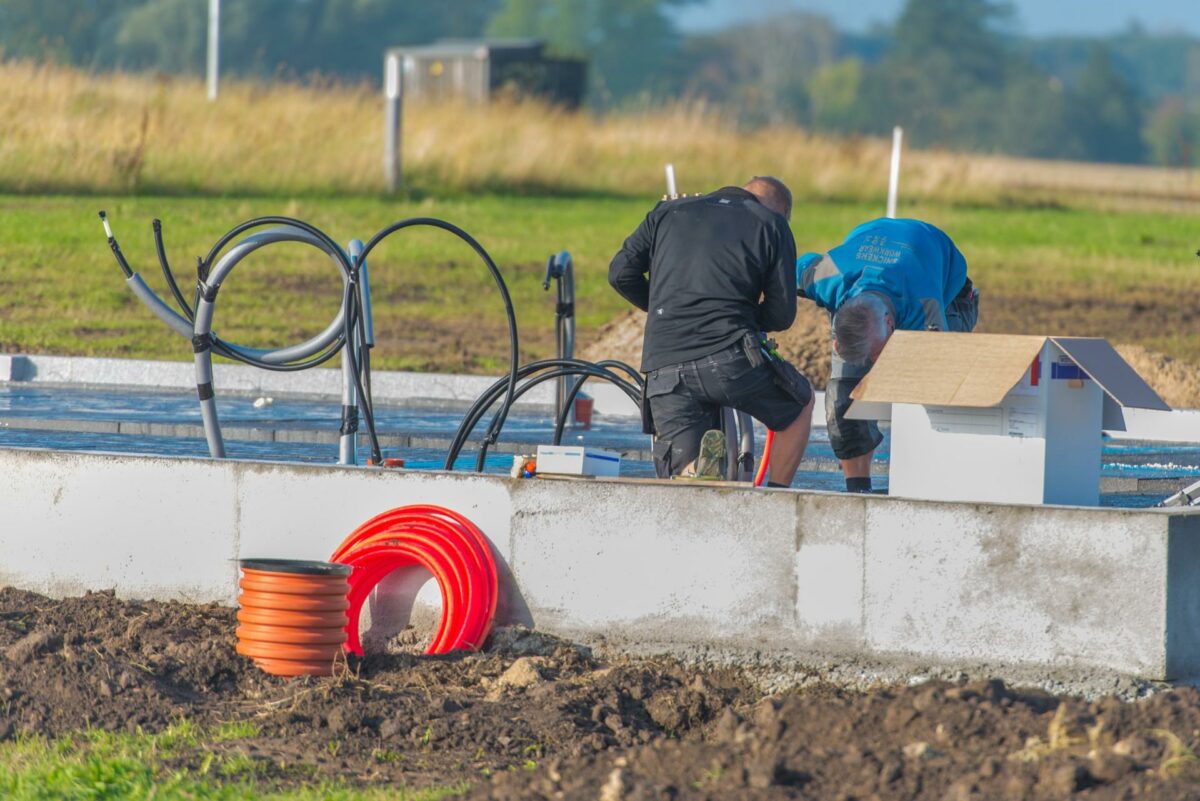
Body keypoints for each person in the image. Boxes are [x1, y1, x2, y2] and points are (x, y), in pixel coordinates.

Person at [609, 177, 815, 486]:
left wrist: (668, 310)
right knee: (799, 405)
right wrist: (742, 317)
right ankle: (777, 497)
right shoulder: (771, 223)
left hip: (664, 365)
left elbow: (620, 273)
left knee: (682, 482)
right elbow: (781, 314)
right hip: (729, 359)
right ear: (780, 210)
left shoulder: (667, 211)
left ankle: (692, 471)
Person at [797, 217, 979, 493]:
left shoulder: (926, 305)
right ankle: (857, 489)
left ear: (892, 325)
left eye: (875, 355)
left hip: (950, 291)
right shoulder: (828, 277)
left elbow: (941, 361)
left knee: (933, 389)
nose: (872, 366)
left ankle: (932, 485)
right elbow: (793, 266)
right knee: (843, 398)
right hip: (870, 243)